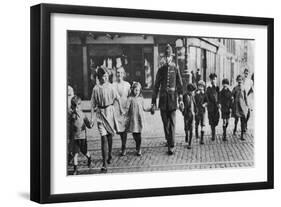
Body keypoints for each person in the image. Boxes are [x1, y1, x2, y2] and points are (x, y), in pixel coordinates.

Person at [151, 44, 184, 155]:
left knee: (173, 123)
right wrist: (153, 102)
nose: (168, 59)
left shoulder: (175, 68)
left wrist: (180, 99)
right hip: (163, 100)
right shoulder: (161, 69)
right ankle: (168, 139)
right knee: (166, 123)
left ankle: (171, 145)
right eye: (166, 57)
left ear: (172, 57)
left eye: (169, 57)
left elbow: (179, 84)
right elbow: (156, 86)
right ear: (164, 58)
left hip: (173, 99)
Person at [90, 67, 124, 172]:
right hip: (100, 114)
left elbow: (117, 98)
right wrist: (92, 118)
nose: (104, 78)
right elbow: (92, 104)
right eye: (102, 77)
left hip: (110, 112)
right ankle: (104, 164)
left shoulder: (111, 87)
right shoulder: (96, 88)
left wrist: (121, 109)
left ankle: (109, 153)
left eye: (106, 76)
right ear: (98, 77)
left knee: (110, 136)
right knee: (103, 138)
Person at [68, 95, 94, 175]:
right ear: (72, 106)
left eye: (78, 105)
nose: (76, 107)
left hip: (82, 137)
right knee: (75, 153)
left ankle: (89, 158)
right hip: (75, 137)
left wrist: (91, 124)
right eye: (74, 105)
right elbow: (70, 126)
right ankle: (75, 169)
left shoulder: (83, 115)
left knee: (84, 151)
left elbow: (88, 125)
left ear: (80, 105)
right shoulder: (71, 115)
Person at [126, 82, 152, 156]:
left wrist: (150, 109)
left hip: (139, 118)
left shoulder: (141, 98)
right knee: (134, 134)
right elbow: (127, 108)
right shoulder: (130, 98)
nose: (137, 92)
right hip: (133, 118)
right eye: (135, 90)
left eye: (138, 90)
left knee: (139, 134)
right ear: (132, 90)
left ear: (140, 90)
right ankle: (137, 144)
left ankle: (139, 147)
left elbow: (144, 108)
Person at [112, 67, 131, 156]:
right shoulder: (113, 84)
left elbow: (130, 97)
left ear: (124, 74)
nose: (119, 74)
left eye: (121, 73)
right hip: (116, 109)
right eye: (118, 73)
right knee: (118, 129)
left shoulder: (127, 85)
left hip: (124, 109)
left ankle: (123, 147)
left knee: (124, 130)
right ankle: (120, 146)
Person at [232, 74, 248, 141]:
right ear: (237, 80)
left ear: (242, 81)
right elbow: (232, 95)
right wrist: (232, 99)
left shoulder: (244, 88)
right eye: (238, 80)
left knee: (243, 119)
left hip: (242, 106)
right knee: (236, 119)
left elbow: (245, 97)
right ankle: (235, 128)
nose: (239, 81)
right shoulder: (235, 88)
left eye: (241, 80)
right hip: (236, 106)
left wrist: (247, 106)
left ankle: (242, 135)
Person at [182, 83, 196, 149]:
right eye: (191, 91)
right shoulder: (184, 96)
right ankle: (186, 134)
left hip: (192, 114)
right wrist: (183, 111)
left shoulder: (193, 96)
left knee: (191, 128)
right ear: (188, 90)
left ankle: (190, 143)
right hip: (186, 114)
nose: (192, 92)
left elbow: (195, 104)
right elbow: (183, 105)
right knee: (186, 127)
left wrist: (196, 111)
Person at [206, 73, 220, 141]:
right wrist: (208, 104)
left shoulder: (217, 88)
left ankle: (213, 131)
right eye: (212, 79)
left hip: (216, 106)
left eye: (215, 79)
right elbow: (207, 97)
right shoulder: (208, 88)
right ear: (210, 80)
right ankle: (213, 134)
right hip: (211, 106)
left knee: (216, 120)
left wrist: (219, 103)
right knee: (211, 121)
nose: (214, 80)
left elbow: (219, 96)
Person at [194, 80, 208, 145]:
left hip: (203, 111)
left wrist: (204, 104)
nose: (201, 87)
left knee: (203, 124)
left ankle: (202, 139)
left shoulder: (204, 94)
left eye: (202, 86)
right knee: (197, 123)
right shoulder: (196, 94)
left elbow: (207, 101)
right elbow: (194, 102)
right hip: (197, 111)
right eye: (200, 86)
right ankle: (196, 135)